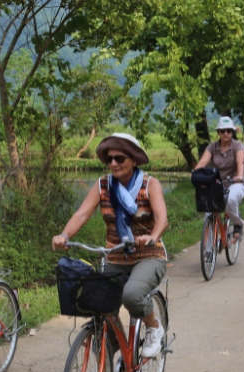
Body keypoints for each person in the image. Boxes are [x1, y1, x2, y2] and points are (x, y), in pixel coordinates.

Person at [52, 133, 168, 358]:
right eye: (109, 159)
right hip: (115, 256)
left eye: (120, 158)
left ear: (134, 160)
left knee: (132, 294)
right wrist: (64, 235)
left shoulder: (150, 184)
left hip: (148, 255)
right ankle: (113, 346)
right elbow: (82, 214)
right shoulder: (102, 185)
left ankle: (154, 327)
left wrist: (152, 236)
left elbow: (162, 219)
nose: (113, 163)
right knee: (95, 301)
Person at [193, 116, 244, 242]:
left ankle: (238, 223)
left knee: (230, 199)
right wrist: (195, 173)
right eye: (222, 131)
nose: (225, 133)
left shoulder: (238, 145)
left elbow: (240, 162)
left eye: (228, 131)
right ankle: (208, 250)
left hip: (235, 182)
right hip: (217, 184)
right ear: (218, 132)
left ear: (232, 132)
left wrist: (239, 176)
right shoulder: (212, 147)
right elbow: (203, 162)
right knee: (208, 212)